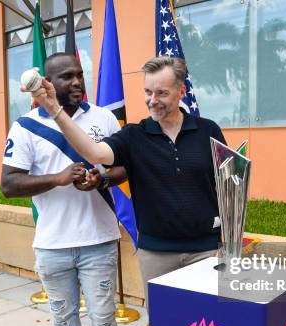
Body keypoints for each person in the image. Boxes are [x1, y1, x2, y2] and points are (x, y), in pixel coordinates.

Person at [26, 56, 227, 306]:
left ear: (181, 91)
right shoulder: (135, 135)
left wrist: (227, 240)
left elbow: (228, 187)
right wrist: (54, 109)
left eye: (162, 93)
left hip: (206, 251)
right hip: (157, 255)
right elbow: (95, 153)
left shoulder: (209, 131)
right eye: (147, 92)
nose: (152, 101)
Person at [2, 52, 125, 326]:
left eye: (80, 75)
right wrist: (57, 179)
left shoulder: (103, 117)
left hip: (98, 239)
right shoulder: (25, 125)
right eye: (67, 77)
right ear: (48, 85)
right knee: (63, 319)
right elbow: (9, 184)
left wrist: (100, 178)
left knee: (103, 317)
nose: (76, 82)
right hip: (53, 244)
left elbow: (124, 168)